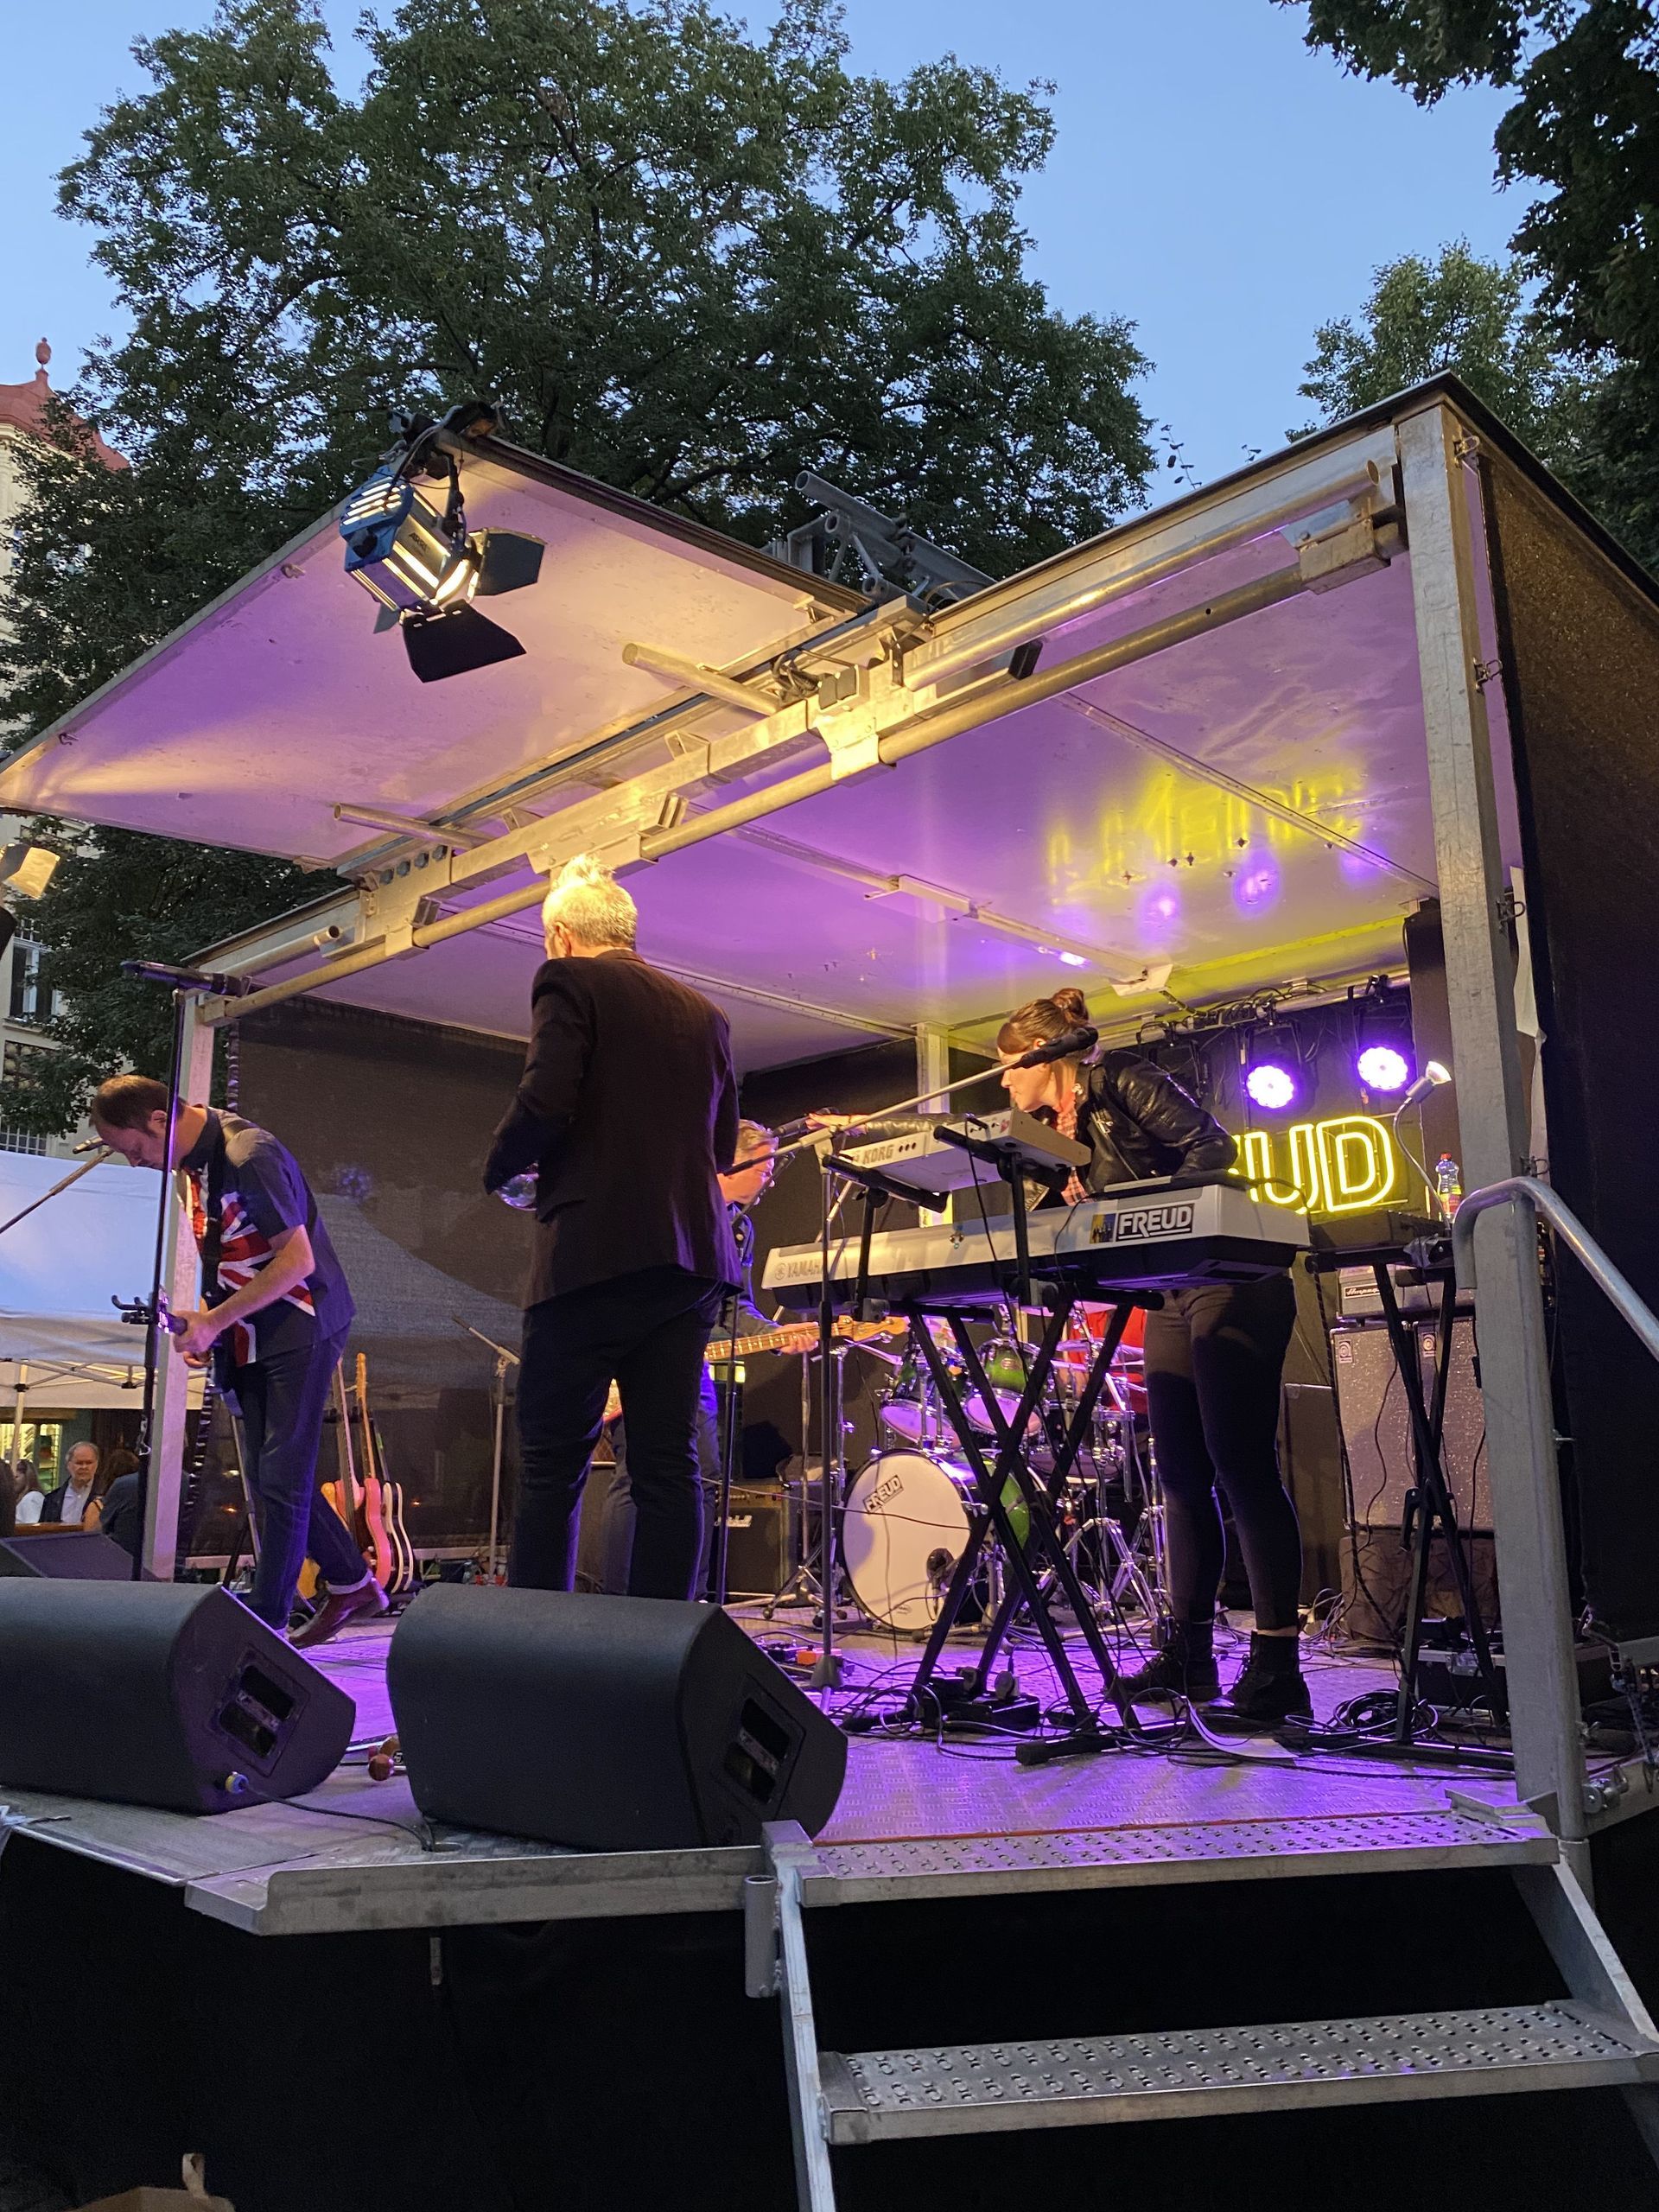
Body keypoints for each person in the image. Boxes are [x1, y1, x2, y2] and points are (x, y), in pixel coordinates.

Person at [996, 987, 1309, 1726]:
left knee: (1241, 1465)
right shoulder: (1058, 1134)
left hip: (1232, 1278)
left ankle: (1277, 1669)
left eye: (1009, 1067)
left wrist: (1141, 1213)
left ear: (1042, 1056)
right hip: (1170, 1293)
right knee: (1180, 1476)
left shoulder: (1120, 1079)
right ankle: (1190, 1658)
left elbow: (1213, 1150)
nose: (1004, 1083)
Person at [483, 853, 740, 1599]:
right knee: (668, 1463)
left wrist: (498, 1168)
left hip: (592, 1254)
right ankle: (661, 1641)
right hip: (690, 1262)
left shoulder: (569, 980)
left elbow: (545, 1099)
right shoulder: (707, 1013)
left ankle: (541, 1639)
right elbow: (723, 1147)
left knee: (552, 1462)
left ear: (561, 937)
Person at [90, 1073, 383, 1645]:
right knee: (273, 1475)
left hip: (301, 1323)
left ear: (159, 1119)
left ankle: (268, 1623)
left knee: (280, 1477)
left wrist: (215, 1322)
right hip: (253, 1330)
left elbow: (297, 1262)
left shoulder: (249, 1155)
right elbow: (225, 1258)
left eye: (135, 1149)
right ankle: (351, 1582)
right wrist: (206, 1322)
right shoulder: (192, 1166)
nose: (136, 1163)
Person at [597, 1121, 814, 1596]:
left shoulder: (740, 1228)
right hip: (641, 1353)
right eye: (764, 1169)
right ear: (732, 1162)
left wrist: (776, 1335)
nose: (769, 1181)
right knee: (637, 1476)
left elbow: (735, 1309)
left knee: (706, 1477)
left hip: (692, 1363)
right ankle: (617, 1601)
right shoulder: (668, 1205)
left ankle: (685, 1600)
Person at [39, 1440, 101, 1527]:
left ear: (96, 1464)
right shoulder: (52, 1499)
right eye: (79, 1463)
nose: (84, 1467)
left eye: (89, 1463)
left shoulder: (106, 1496)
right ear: (68, 1465)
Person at [10, 1458, 45, 1527]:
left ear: (27, 1477)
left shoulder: (32, 1498)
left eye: (16, 1477)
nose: (12, 1481)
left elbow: (33, 1526)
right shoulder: (21, 1498)